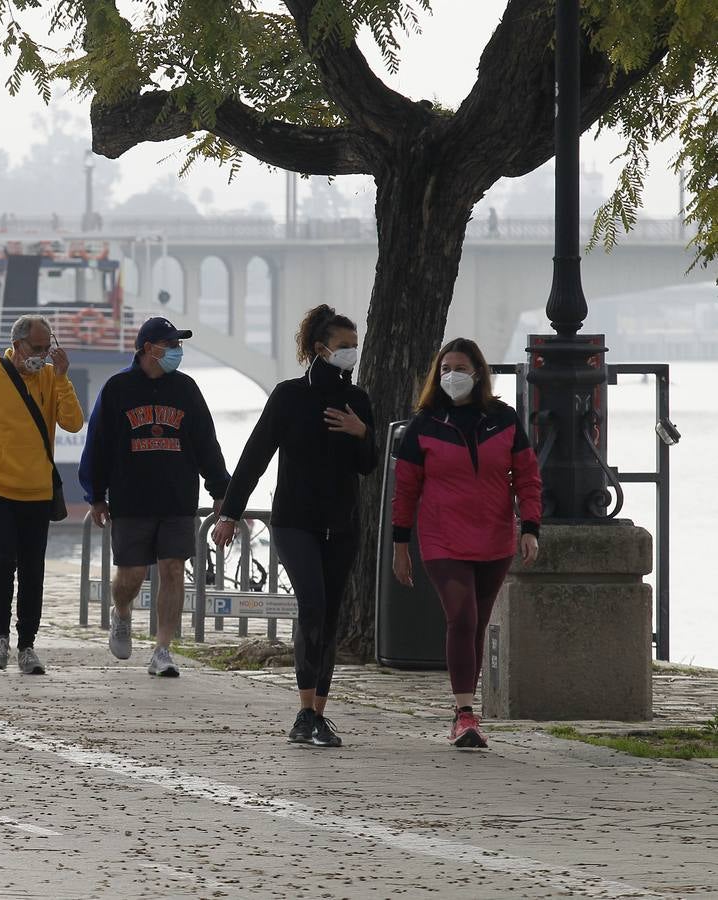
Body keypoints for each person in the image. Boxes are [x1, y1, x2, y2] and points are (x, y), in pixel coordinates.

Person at [212, 304, 377, 748]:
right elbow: (254, 457)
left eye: (355, 346)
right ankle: (304, 712)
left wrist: (362, 432)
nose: (352, 354)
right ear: (321, 349)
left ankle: (319, 714)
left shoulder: (357, 401)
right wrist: (230, 513)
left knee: (331, 615)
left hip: (342, 524)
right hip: (295, 522)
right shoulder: (288, 396)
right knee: (312, 607)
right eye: (345, 347)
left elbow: (369, 466)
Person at [391, 337, 541, 750]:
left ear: (478, 374)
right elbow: (404, 491)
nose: (451, 376)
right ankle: (463, 713)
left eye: (459, 368)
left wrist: (530, 527)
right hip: (442, 538)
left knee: (476, 623)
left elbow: (527, 477)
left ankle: (467, 708)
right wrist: (400, 545)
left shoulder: (504, 420)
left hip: (495, 537)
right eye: (444, 370)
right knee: (462, 616)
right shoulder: (424, 425)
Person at [81, 316, 231, 677]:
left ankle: (163, 649)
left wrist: (222, 491)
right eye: (171, 344)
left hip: (177, 499)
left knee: (173, 570)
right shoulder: (117, 388)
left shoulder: (187, 389)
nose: (177, 351)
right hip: (131, 500)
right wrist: (95, 494)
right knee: (130, 576)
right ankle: (122, 613)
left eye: (179, 345)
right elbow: (97, 444)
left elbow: (206, 443)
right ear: (149, 348)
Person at [0, 314, 84, 674]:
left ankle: (27, 644)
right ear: (17, 344)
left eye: (47, 348)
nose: (42, 354)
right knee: (4, 560)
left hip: (37, 490)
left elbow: (73, 423)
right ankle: (0, 636)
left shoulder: (52, 379)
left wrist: (63, 377)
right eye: (37, 348)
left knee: (33, 569)